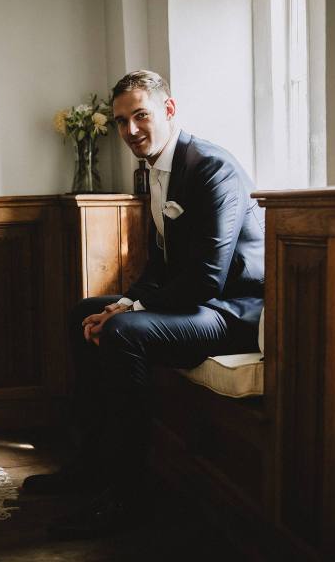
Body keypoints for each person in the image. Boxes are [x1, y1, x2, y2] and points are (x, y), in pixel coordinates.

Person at [22, 70, 265, 538]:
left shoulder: (212, 168)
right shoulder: (153, 170)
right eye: (120, 121)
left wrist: (130, 311)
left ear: (168, 111)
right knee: (84, 314)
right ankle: (90, 464)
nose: (130, 131)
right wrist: (127, 300)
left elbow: (208, 278)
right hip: (196, 303)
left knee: (121, 332)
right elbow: (159, 266)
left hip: (232, 312)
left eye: (141, 116)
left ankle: (127, 497)